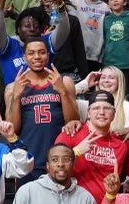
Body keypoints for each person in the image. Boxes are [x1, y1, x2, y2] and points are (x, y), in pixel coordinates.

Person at [5, 44, 78, 181]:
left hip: (59, 159)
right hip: (28, 158)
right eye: (31, 53)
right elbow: (13, 130)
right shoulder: (12, 87)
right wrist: (16, 97)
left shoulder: (64, 81)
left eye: (42, 52)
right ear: (24, 57)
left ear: (48, 55)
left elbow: (73, 122)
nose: (37, 57)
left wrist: (62, 91)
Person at [0, 3, 71, 86]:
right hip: (16, 95)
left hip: (44, 95)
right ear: (18, 29)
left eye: (36, 26)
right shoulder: (8, 45)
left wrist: (59, 8)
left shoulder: (45, 42)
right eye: (27, 26)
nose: (32, 29)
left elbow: (62, 30)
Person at [74, 66, 129, 131]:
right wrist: (85, 83)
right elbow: (64, 97)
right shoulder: (86, 105)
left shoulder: (128, 107)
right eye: (103, 77)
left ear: (119, 82)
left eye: (112, 78)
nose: (106, 80)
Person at [67, 0, 107, 71]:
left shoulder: (105, 7)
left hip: (97, 54)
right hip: (79, 52)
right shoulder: (75, 2)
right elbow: (57, 0)